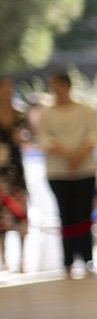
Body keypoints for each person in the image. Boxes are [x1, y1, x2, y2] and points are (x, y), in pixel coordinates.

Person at [35, 71, 97, 277]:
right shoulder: (47, 114)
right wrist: (67, 154)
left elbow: (93, 135)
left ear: (67, 86)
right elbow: (44, 139)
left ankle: (87, 255)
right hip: (58, 171)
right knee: (66, 214)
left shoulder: (85, 111)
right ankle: (68, 258)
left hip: (85, 169)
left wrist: (79, 155)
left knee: (84, 213)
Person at [0, 77, 29, 272]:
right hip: (0, 173)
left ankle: (23, 258)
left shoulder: (20, 115)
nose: (7, 95)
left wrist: (23, 139)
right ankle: (3, 260)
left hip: (17, 171)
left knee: (21, 215)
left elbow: (29, 138)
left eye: (10, 91)